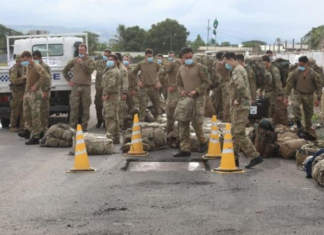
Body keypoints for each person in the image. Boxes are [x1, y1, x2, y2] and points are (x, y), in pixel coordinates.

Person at [223, 52, 263, 168]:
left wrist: (238, 99)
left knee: (239, 132)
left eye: (226, 62)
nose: (226, 65)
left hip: (240, 106)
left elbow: (241, 86)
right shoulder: (240, 69)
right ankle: (233, 157)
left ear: (231, 60)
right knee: (234, 132)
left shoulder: (236, 71)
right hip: (240, 106)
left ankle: (255, 156)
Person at [173, 47, 210, 157]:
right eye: (186, 57)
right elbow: (178, 84)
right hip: (186, 99)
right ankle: (185, 148)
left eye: (190, 57)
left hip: (198, 98)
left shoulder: (200, 68)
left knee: (196, 122)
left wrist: (196, 91)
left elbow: (207, 82)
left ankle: (203, 142)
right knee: (183, 122)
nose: (189, 59)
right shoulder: (181, 70)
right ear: (182, 58)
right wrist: (181, 91)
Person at [284, 56, 322, 132]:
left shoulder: (313, 74)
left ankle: (307, 129)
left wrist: (318, 98)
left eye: (302, 65)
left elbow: (319, 86)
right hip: (297, 93)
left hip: (309, 95)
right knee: (295, 105)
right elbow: (289, 84)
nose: (300, 67)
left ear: (307, 64)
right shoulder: (295, 72)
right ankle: (299, 124)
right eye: (299, 65)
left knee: (309, 113)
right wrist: (285, 97)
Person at [63, 44, 95, 131]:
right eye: (79, 50)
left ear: (86, 51)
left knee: (85, 107)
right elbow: (65, 70)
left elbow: (90, 70)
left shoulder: (90, 60)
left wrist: (82, 63)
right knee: (74, 107)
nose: (80, 51)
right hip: (76, 86)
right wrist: (69, 80)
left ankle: (84, 127)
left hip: (86, 87)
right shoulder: (74, 60)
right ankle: (72, 127)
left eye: (82, 50)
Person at [18, 51, 48, 145]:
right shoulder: (28, 67)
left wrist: (37, 85)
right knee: (27, 114)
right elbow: (28, 82)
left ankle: (36, 137)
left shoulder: (36, 66)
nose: (24, 62)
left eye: (25, 60)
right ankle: (31, 131)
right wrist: (25, 93)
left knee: (35, 115)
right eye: (23, 60)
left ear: (29, 58)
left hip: (35, 94)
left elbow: (45, 76)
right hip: (28, 93)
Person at [132, 49, 162, 122]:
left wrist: (160, 82)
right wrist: (137, 82)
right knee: (142, 106)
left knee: (157, 106)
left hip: (154, 87)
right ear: (145, 56)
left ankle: (158, 121)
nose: (150, 58)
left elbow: (164, 72)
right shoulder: (141, 64)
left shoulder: (156, 64)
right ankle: (141, 122)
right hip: (144, 88)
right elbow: (133, 73)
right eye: (148, 56)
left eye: (151, 56)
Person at [157, 51, 183, 134]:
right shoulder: (172, 64)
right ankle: (170, 133)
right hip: (174, 92)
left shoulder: (188, 65)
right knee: (170, 114)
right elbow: (160, 73)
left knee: (182, 115)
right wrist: (166, 86)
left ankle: (180, 135)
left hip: (184, 92)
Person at [101, 54, 121, 142]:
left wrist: (106, 93)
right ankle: (116, 137)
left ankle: (110, 136)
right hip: (113, 96)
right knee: (114, 117)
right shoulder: (109, 70)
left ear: (116, 61)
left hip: (111, 96)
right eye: (108, 59)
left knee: (110, 117)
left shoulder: (113, 71)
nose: (109, 61)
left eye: (112, 59)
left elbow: (111, 84)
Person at [32, 50, 51, 134]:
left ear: (40, 58)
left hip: (43, 91)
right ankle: (37, 130)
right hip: (36, 92)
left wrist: (46, 91)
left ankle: (44, 129)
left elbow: (48, 80)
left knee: (44, 112)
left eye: (36, 58)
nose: (35, 60)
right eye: (33, 58)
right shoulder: (34, 67)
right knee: (36, 112)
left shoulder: (45, 66)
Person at [9, 54, 26, 132]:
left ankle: (22, 125)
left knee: (23, 109)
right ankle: (13, 125)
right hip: (17, 92)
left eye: (21, 61)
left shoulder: (22, 68)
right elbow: (14, 80)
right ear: (16, 61)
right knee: (16, 108)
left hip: (22, 91)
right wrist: (23, 78)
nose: (20, 62)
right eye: (19, 60)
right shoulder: (14, 69)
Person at [95, 49, 111, 128]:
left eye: (107, 55)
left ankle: (105, 121)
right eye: (104, 55)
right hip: (99, 88)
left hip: (107, 88)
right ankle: (99, 119)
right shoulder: (98, 63)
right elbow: (89, 69)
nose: (105, 56)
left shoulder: (111, 65)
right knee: (98, 105)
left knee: (106, 106)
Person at [115, 52, 129, 138]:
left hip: (120, 92)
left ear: (118, 60)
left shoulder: (122, 69)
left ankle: (120, 126)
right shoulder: (113, 68)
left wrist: (124, 92)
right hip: (115, 92)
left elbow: (125, 82)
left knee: (120, 110)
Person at [215, 51, 231, 122]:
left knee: (226, 100)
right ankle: (220, 114)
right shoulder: (215, 63)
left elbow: (230, 67)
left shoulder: (227, 64)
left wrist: (224, 63)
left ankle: (226, 116)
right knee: (218, 100)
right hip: (218, 83)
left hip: (226, 83)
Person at [211, 52, 224, 118]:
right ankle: (220, 113)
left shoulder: (215, 63)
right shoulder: (224, 63)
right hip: (221, 83)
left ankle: (220, 113)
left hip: (218, 84)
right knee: (219, 99)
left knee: (218, 99)